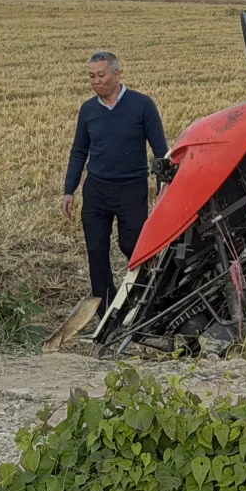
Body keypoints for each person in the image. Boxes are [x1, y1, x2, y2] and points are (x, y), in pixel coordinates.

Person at [63, 51, 168, 314]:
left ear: (117, 74)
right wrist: (69, 190)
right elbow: (79, 152)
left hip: (131, 190)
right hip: (96, 190)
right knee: (96, 249)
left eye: (101, 75)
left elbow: (161, 152)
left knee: (132, 247)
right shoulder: (88, 110)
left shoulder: (142, 105)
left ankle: (145, 304)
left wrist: (163, 188)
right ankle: (105, 311)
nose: (95, 81)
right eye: (91, 76)